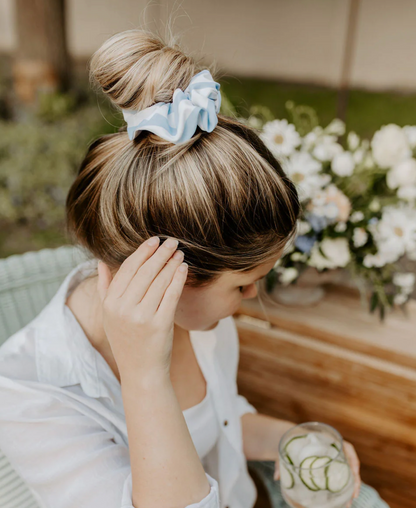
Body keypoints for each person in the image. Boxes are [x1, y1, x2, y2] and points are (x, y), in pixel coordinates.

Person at [0, 28, 367, 508]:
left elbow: (218, 423)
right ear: (172, 277)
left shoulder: (197, 316)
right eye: (244, 284)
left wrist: (288, 440)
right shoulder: (28, 392)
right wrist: (144, 374)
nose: (253, 297)